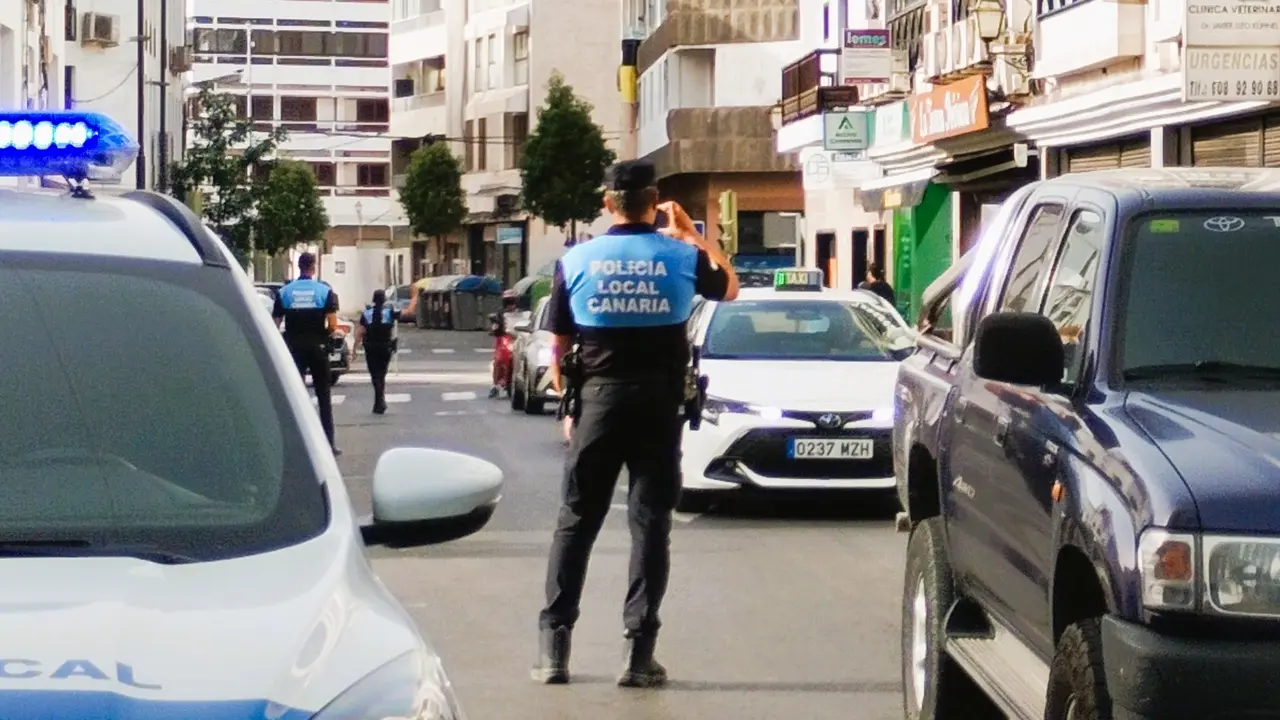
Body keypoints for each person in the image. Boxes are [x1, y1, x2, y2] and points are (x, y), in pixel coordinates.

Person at [532, 159, 739, 688]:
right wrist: (695, 235)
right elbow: (730, 287)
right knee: (649, 527)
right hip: (658, 404)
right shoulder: (680, 255)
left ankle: (554, 652)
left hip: (598, 401)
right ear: (656, 202)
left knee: (575, 522)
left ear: (607, 204)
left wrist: (568, 404)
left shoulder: (577, 259)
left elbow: (557, 343)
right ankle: (638, 655)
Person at [273, 252, 342, 456]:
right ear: (313, 267)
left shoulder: (285, 292)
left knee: (294, 396)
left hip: (293, 348)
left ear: (298, 266)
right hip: (317, 348)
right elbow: (332, 325)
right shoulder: (324, 291)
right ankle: (329, 443)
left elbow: (275, 324)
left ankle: (295, 444)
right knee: (323, 396)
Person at [356, 289, 397, 414]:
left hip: (371, 347)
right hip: (385, 347)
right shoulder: (389, 311)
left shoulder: (367, 312)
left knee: (375, 375)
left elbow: (361, 330)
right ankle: (380, 400)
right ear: (384, 299)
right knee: (382, 374)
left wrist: (355, 347)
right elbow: (403, 315)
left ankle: (379, 401)